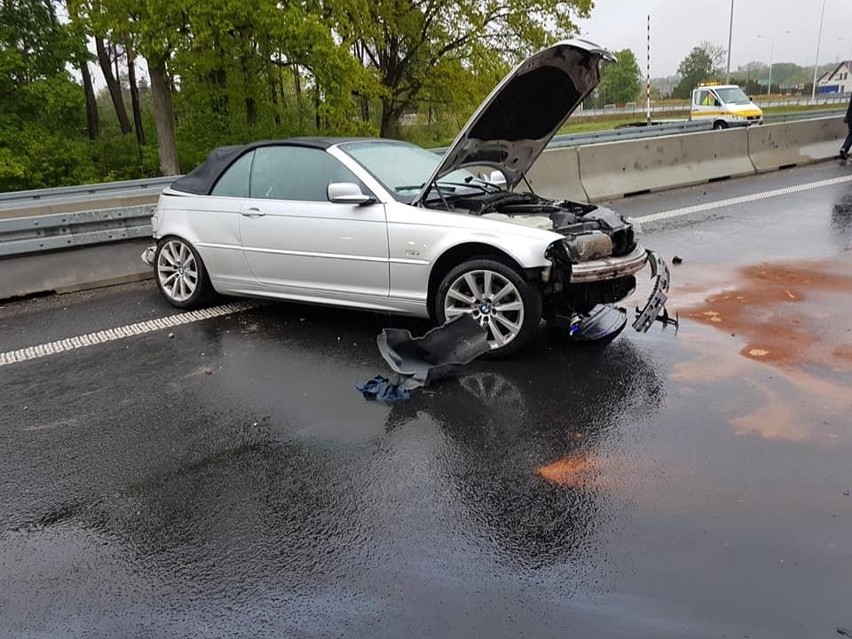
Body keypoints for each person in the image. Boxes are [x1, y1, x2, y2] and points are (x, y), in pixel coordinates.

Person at [841, 92, 852, 161]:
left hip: (850, 116)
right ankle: (844, 148)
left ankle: (844, 148)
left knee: (851, 134)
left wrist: (847, 117)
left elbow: (850, 106)